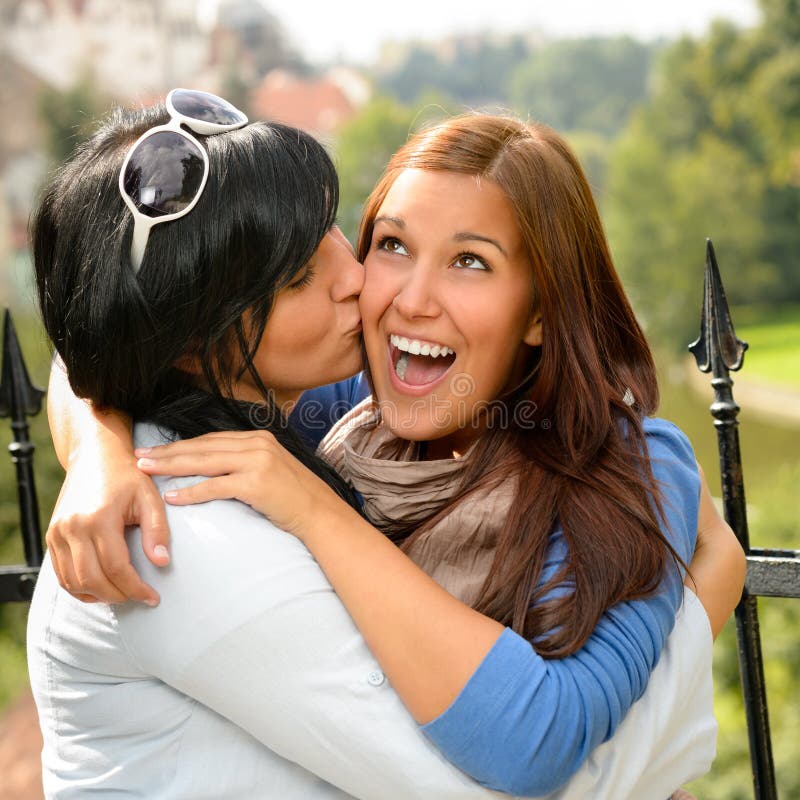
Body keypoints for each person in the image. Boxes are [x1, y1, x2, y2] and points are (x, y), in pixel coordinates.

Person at [30, 98, 741, 799]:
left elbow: (543, 739)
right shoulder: (352, 419)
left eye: (470, 261)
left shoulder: (634, 466)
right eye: (393, 245)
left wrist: (316, 510)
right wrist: (99, 450)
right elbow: (111, 337)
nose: (405, 297)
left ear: (542, 311)